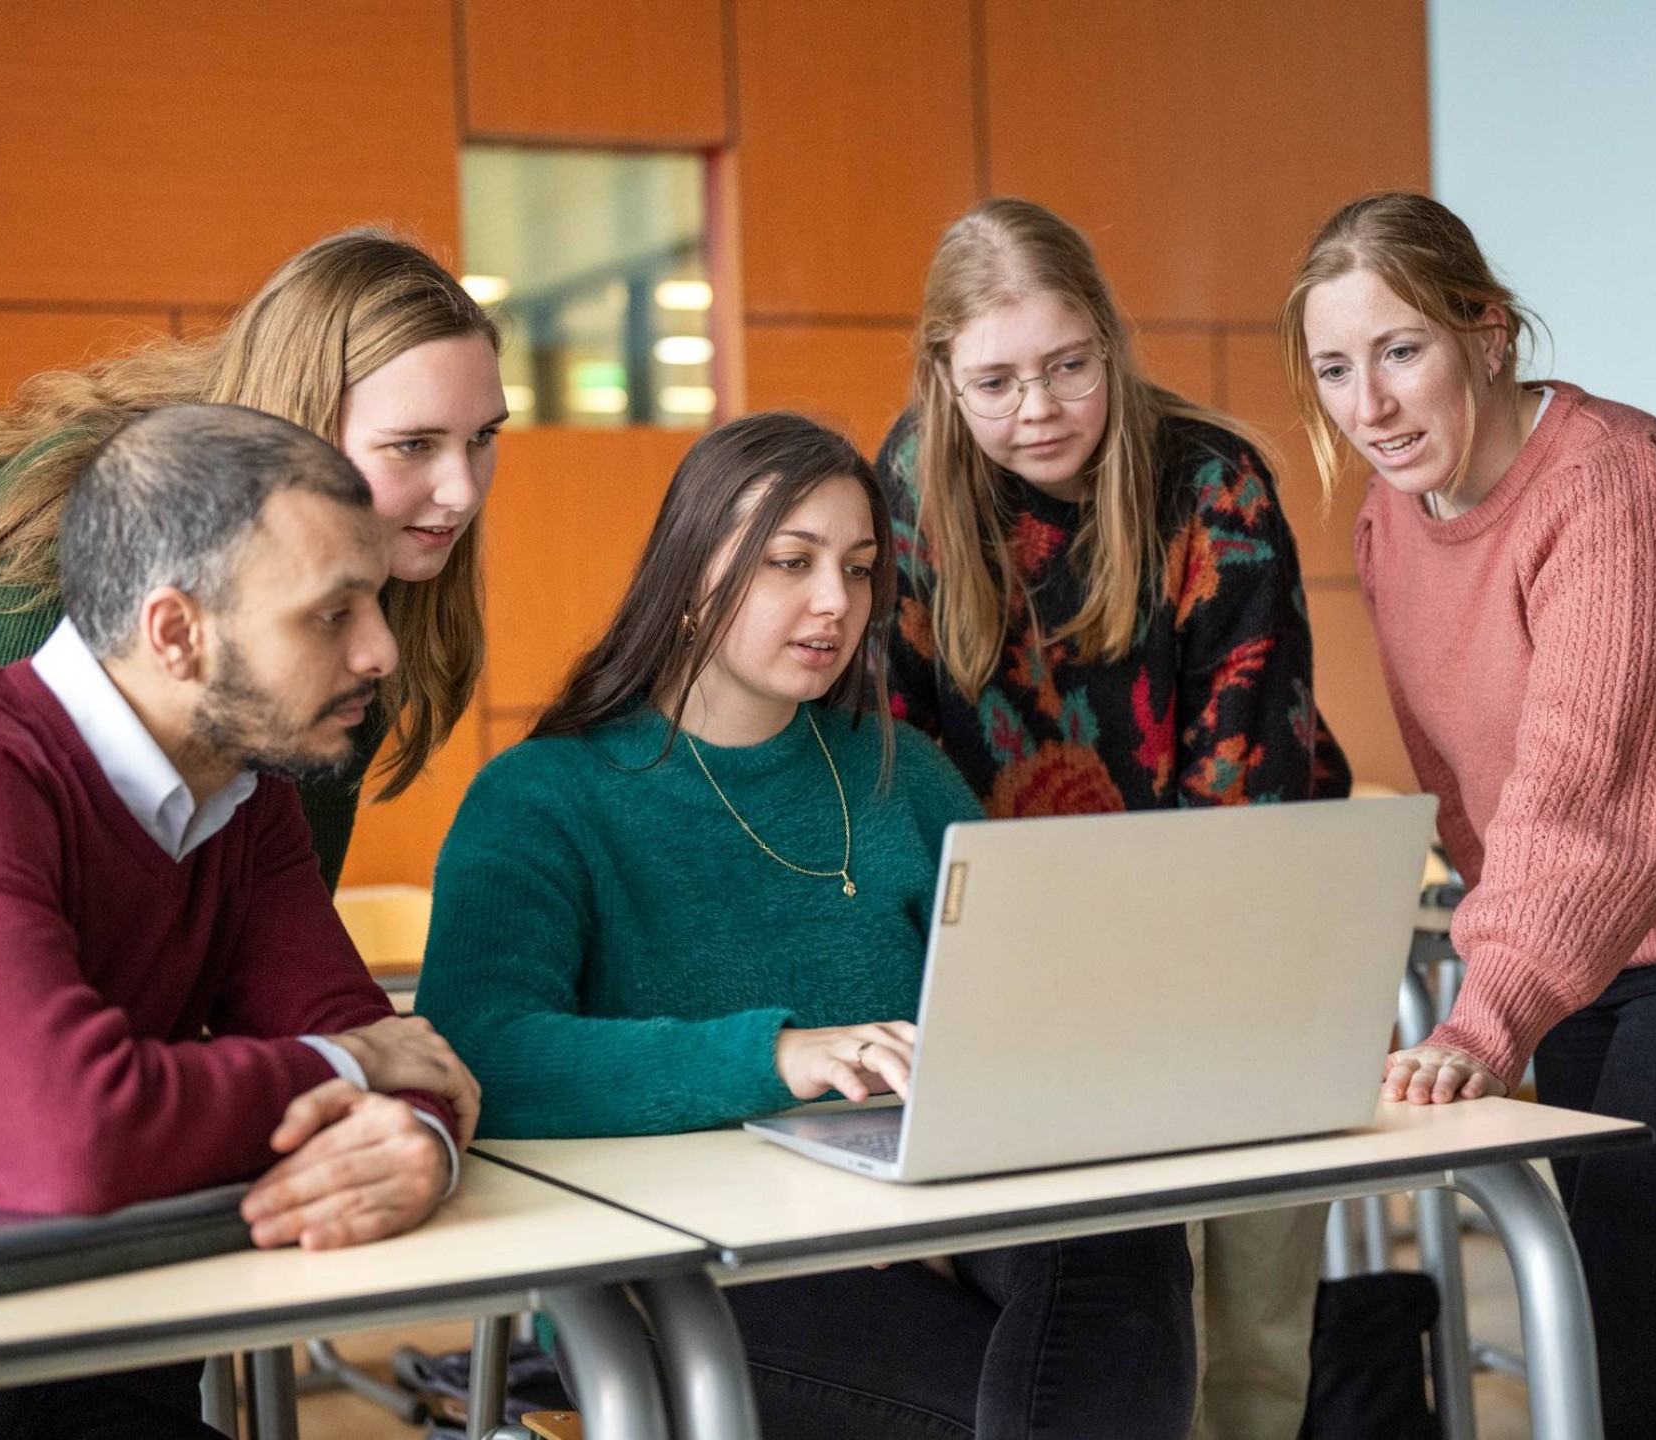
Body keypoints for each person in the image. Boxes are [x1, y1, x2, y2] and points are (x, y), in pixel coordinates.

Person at [417, 411, 1197, 1440]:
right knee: (1072, 1400)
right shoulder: (541, 796)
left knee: (1122, 1251)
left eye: (859, 566)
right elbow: (479, 1057)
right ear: (692, 576)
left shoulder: (901, 773)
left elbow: (1010, 1011)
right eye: (791, 562)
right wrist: (776, 1056)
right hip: (689, 1264)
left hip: (928, 1217)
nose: (837, 602)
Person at [1282, 190, 1656, 1440]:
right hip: (1585, 964)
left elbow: (1583, 789)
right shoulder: (1391, 519)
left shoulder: (1616, 488)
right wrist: (1519, 965)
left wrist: (1488, 1009)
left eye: (1399, 350)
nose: (1366, 406)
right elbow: (1465, 784)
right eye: (1333, 368)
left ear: (1487, 332)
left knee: (1610, 1358)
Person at [874, 196, 1342, 1439]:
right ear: (941, 376)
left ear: (1110, 345)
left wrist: (1161, 969)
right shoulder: (908, 490)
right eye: (995, 380)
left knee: (1249, 1332)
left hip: (1236, 924)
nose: (1037, 408)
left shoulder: (1210, 482)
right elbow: (894, 754)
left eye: (1068, 366)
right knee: (1118, 1328)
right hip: (1018, 965)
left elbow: (1245, 776)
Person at [0, 404, 481, 1439]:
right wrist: (352, 1069)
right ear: (176, 633)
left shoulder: (248, 798)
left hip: (97, 1367)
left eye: (375, 602)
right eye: (333, 614)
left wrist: (419, 1140)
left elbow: (390, 1050)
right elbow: (76, 1138)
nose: (379, 650)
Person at [0, 228, 508, 889]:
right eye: (414, 444)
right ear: (302, 424)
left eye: (482, 437)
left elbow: (285, 915)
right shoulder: (69, 514)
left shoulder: (372, 577)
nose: (463, 491)